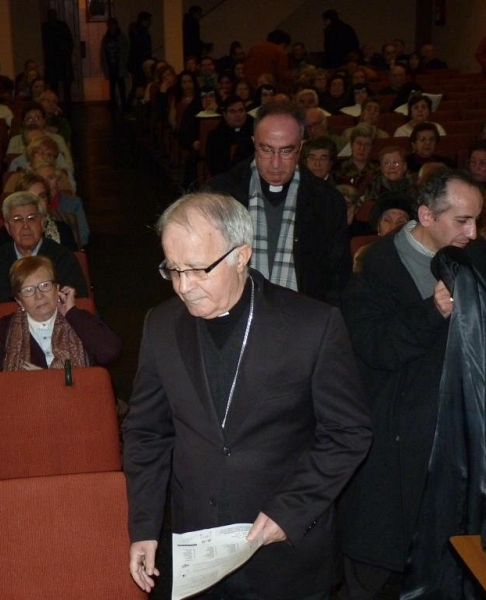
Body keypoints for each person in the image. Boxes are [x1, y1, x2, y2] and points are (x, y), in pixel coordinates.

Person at [122, 192, 372, 599]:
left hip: (285, 552)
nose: (185, 287)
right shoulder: (161, 325)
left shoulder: (313, 326)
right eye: (174, 270)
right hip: (195, 553)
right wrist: (145, 527)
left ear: (241, 256)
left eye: (199, 269)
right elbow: (147, 433)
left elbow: (349, 433)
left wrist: (289, 511)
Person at [338, 169, 483, 598]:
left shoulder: (474, 258)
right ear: (425, 215)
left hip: (453, 441)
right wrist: (432, 311)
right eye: (462, 221)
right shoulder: (376, 265)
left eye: (477, 220)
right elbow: (374, 348)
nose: (473, 232)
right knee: (376, 569)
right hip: (392, 446)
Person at [206, 101, 350, 304]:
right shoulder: (219, 195)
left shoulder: (327, 201)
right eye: (266, 150)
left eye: (286, 151)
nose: (275, 164)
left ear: (300, 147)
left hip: (302, 316)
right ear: (254, 142)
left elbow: (337, 278)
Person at [0, 255, 120, 372]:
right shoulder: (2, 330)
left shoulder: (79, 320)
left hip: (79, 400)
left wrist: (72, 314)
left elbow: (110, 353)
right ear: (19, 300)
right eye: (28, 290)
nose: (39, 296)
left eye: (45, 285)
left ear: (57, 288)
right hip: (25, 402)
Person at [0, 191, 87, 304]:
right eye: (17, 219)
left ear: (42, 223)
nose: (25, 226)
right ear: (8, 228)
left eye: (31, 218)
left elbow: (77, 303)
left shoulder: (63, 257)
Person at [205, 96, 254, 177]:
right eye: (232, 111)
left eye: (241, 110)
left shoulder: (254, 133)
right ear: (225, 115)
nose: (238, 115)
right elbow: (214, 166)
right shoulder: (215, 136)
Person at [41, 9, 74, 111]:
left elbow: (70, 41)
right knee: (54, 84)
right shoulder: (46, 27)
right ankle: (56, 105)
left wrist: (67, 52)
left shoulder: (60, 26)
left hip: (62, 59)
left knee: (65, 84)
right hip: (53, 60)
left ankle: (67, 105)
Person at [101, 18, 129, 112]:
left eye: (113, 25)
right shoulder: (106, 37)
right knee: (112, 85)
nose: (112, 27)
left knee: (121, 84)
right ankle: (113, 101)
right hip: (111, 65)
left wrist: (124, 62)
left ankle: (123, 102)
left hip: (119, 64)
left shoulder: (121, 37)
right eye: (110, 25)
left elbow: (125, 51)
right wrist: (104, 63)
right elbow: (103, 52)